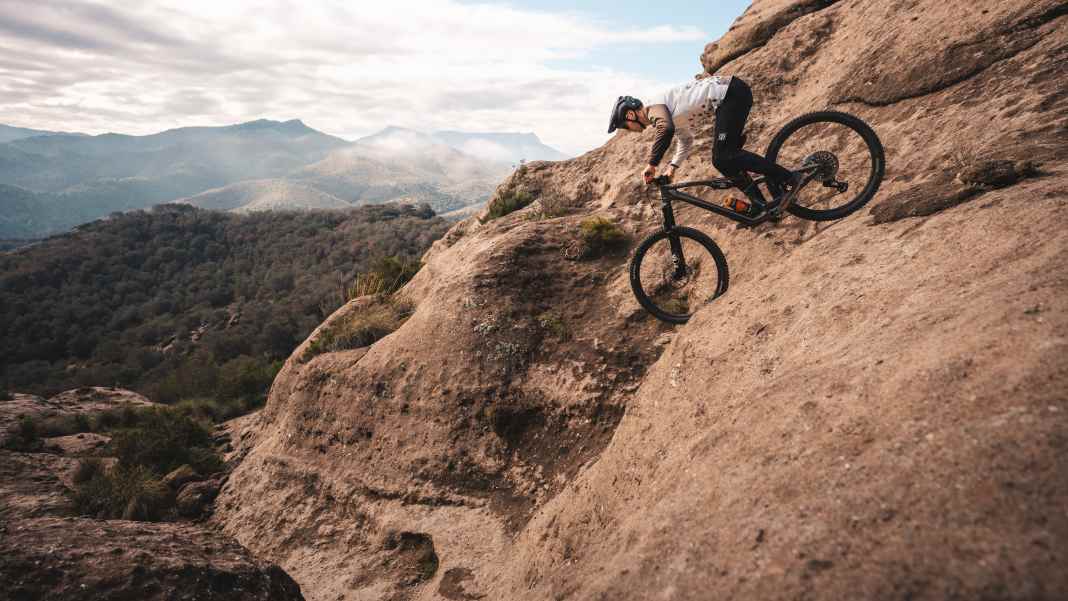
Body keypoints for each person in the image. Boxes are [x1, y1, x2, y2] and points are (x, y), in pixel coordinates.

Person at [608, 75, 802, 214]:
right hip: (729, 97)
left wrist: (652, 164)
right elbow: (685, 139)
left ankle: (790, 178)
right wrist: (672, 168)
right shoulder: (664, 112)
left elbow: (665, 130)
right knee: (723, 160)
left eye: (625, 126)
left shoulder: (653, 108)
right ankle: (761, 207)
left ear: (630, 115)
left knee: (723, 156)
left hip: (731, 94)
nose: (629, 130)